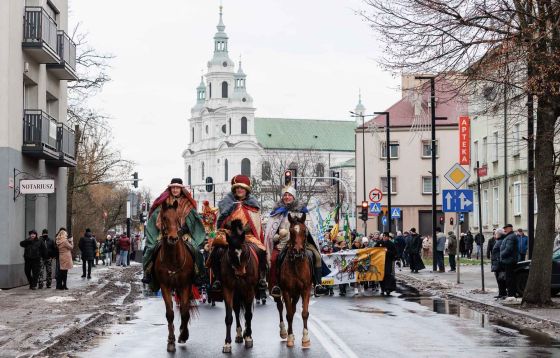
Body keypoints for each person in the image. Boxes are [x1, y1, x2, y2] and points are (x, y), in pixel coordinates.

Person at [208, 175, 267, 293]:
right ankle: (218, 280)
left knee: (261, 250)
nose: (239, 190)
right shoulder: (226, 204)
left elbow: (255, 223)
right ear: (234, 189)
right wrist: (231, 227)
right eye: (237, 188)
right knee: (217, 251)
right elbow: (221, 222)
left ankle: (261, 278)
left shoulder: (253, 206)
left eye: (242, 188)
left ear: (246, 190)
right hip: (229, 235)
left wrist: (244, 229)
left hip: (247, 236)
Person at [264, 186, 327, 298]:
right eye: (285, 195)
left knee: (317, 256)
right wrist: (279, 236)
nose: (287, 197)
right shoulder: (277, 213)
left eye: (289, 195)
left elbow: (310, 229)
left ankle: (318, 284)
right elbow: (270, 235)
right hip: (283, 244)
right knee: (274, 259)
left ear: (294, 197)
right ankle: (276, 285)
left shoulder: (302, 211)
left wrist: (304, 233)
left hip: (302, 244)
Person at [142, 178, 206, 287]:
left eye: (177, 188)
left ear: (181, 189)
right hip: (164, 234)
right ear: (170, 188)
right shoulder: (163, 202)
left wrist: (183, 231)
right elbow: (155, 219)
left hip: (184, 234)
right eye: (173, 187)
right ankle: (147, 272)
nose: (175, 190)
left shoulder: (187, 203)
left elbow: (194, 221)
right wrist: (163, 230)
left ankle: (198, 274)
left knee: (196, 250)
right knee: (151, 249)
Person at [500, 224, 519, 298]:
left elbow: (508, 249)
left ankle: (511, 294)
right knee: (510, 278)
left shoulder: (511, 237)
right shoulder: (509, 236)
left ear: (510, 228)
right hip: (509, 260)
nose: (505, 230)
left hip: (509, 260)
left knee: (510, 278)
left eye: (506, 228)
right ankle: (511, 294)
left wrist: (501, 254)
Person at [490, 228, 506, 299]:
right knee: (500, 279)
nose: (495, 235)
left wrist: (498, 261)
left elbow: (499, 253)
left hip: (498, 263)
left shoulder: (500, 242)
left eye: (495, 234)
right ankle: (501, 293)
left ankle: (502, 293)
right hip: (497, 263)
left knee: (500, 279)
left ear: (498, 234)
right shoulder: (499, 241)